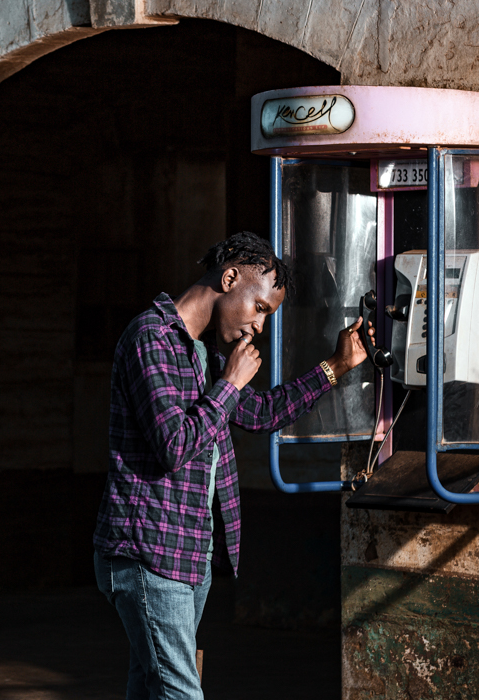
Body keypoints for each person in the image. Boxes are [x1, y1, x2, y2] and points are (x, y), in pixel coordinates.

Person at [92, 231, 374, 700]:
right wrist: (228, 384)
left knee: (150, 684)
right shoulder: (152, 338)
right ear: (229, 277)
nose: (258, 328)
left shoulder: (205, 354)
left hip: (188, 553)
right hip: (147, 551)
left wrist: (336, 366)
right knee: (182, 690)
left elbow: (260, 413)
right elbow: (174, 444)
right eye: (260, 309)